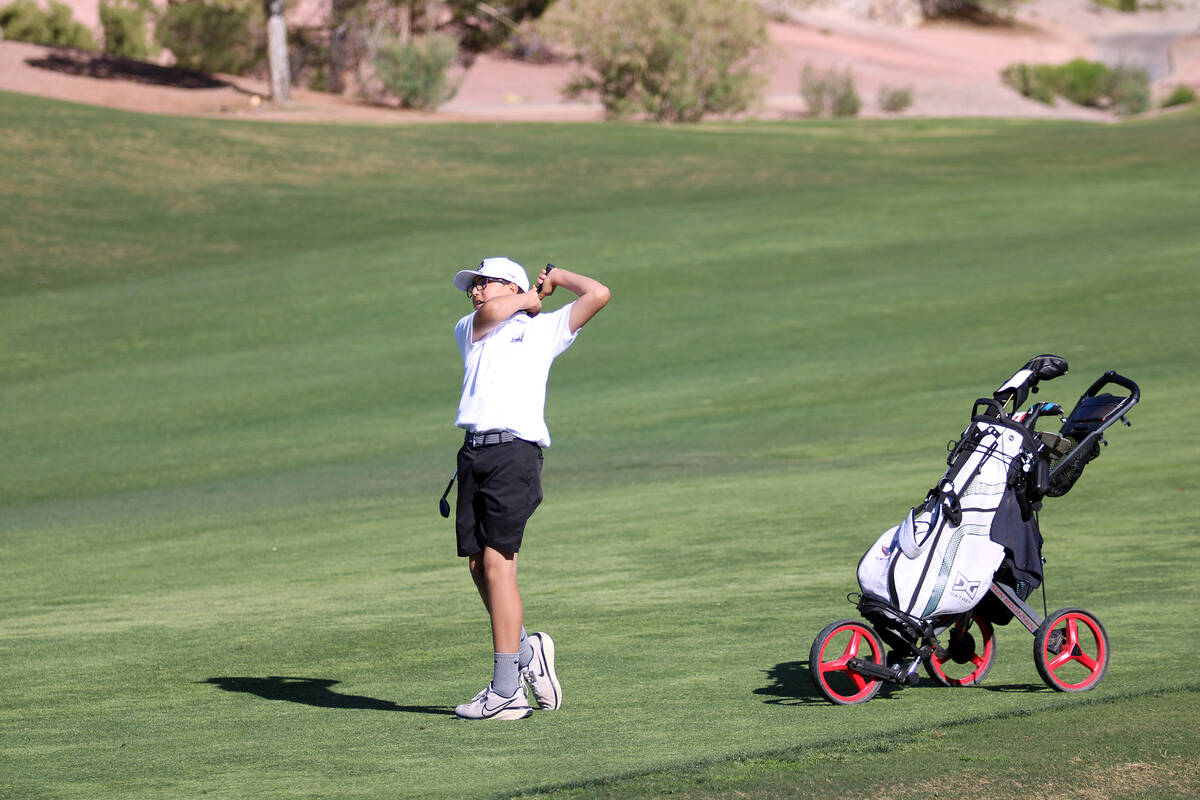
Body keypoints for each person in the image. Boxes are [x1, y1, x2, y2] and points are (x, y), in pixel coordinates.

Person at [449, 256, 611, 720]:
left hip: (514, 454)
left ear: (512, 284)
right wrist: (531, 297)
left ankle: (506, 692)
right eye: (472, 286)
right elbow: (493, 314)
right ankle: (526, 654)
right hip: (474, 452)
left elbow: (598, 294)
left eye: (485, 283)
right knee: (479, 567)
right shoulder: (471, 326)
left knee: (500, 567)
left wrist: (557, 279)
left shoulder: (544, 330)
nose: (476, 292)